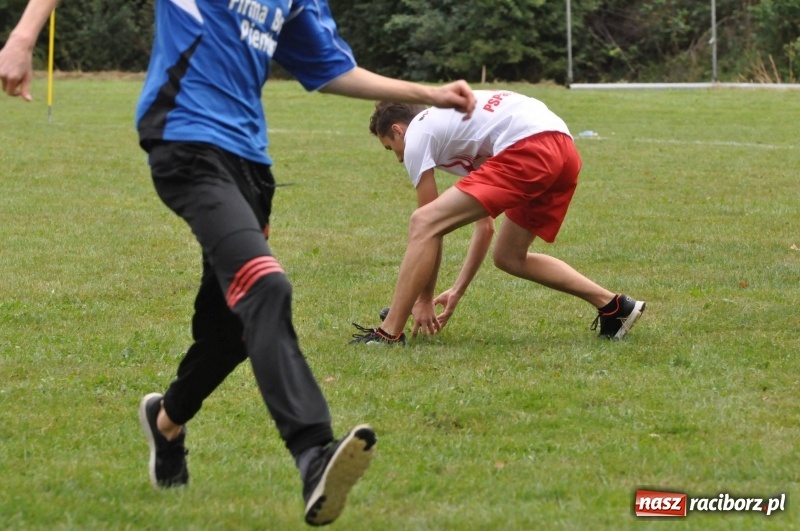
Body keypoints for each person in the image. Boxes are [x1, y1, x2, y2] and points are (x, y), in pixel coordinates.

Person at [0, 0, 476, 526]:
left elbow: (331, 70)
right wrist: (23, 37)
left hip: (250, 165)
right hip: (184, 139)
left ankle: (167, 421)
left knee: (232, 330)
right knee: (266, 288)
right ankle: (313, 451)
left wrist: (427, 95)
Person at [349, 91, 645, 345]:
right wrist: (457, 290)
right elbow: (485, 225)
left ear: (399, 130)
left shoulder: (418, 133)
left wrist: (424, 299)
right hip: (562, 150)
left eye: (391, 148)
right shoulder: (456, 126)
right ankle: (614, 306)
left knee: (423, 221)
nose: (399, 158)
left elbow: (429, 227)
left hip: (530, 148)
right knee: (510, 256)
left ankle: (388, 333)